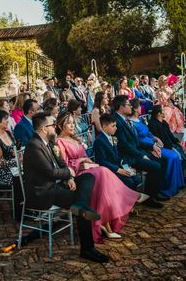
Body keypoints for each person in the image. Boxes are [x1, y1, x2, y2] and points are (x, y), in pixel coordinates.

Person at [22, 112, 108, 263]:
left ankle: (80, 205)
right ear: (44, 129)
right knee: (82, 207)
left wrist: (69, 177)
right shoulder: (33, 146)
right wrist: (68, 172)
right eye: (52, 125)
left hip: (55, 186)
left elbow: (61, 163)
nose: (55, 127)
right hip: (43, 193)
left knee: (88, 177)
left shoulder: (48, 141)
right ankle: (87, 249)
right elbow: (50, 172)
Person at [56, 112, 142, 241]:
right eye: (69, 123)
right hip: (77, 176)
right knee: (103, 171)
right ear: (60, 125)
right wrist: (81, 161)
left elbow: (83, 156)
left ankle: (105, 222)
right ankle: (126, 198)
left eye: (73, 123)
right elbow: (64, 165)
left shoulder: (75, 139)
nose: (73, 125)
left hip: (88, 171)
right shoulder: (59, 142)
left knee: (103, 179)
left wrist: (86, 161)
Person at [112, 95, 166, 208]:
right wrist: (141, 155)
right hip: (127, 157)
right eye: (128, 105)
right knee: (155, 166)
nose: (130, 107)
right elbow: (124, 145)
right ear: (121, 107)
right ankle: (148, 197)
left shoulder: (125, 119)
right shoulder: (116, 121)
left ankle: (155, 193)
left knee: (163, 159)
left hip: (135, 152)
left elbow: (135, 141)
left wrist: (152, 147)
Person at [144, 104, 186, 195]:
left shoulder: (164, 122)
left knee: (184, 154)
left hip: (170, 144)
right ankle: (174, 182)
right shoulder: (153, 124)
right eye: (163, 111)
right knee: (177, 156)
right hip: (163, 146)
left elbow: (170, 136)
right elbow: (161, 140)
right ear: (158, 114)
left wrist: (178, 143)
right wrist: (172, 147)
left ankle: (182, 178)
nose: (165, 112)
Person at [93, 113, 144, 192]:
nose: (116, 128)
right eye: (113, 126)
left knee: (136, 178)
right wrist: (118, 170)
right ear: (104, 127)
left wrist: (127, 167)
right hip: (108, 171)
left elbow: (117, 157)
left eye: (115, 125)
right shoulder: (99, 141)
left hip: (117, 166)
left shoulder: (113, 137)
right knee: (130, 182)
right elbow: (101, 161)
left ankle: (132, 199)